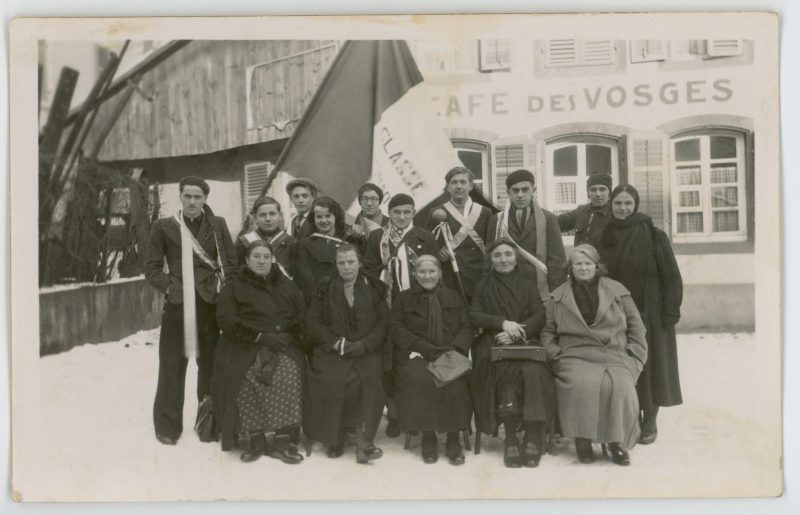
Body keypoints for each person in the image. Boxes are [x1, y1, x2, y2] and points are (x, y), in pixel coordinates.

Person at [144, 176, 237, 446]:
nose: (193, 201)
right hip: (178, 305)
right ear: (180, 197)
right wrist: (172, 288)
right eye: (188, 196)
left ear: (206, 199)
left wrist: (223, 288)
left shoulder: (217, 225)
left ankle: (207, 421)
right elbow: (151, 268)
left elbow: (230, 263)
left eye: (198, 196)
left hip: (211, 305)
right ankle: (167, 427)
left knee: (209, 364)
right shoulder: (164, 227)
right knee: (172, 364)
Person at [541, 244, 648, 466]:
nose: (583, 268)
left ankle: (616, 442)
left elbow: (637, 326)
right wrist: (555, 354)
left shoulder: (617, 291)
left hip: (614, 353)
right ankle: (583, 439)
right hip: (574, 356)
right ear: (570, 267)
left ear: (597, 266)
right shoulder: (558, 296)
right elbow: (548, 331)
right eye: (578, 264)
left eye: (588, 263)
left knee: (620, 386)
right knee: (581, 384)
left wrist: (636, 356)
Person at [600, 184, 683, 445]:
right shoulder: (603, 236)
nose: (622, 209)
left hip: (652, 313)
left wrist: (670, 311)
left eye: (627, 203)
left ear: (635, 205)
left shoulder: (655, 235)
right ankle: (631, 415)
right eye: (618, 204)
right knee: (625, 365)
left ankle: (650, 420)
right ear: (611, 205)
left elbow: (672, 277)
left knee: (652, 366)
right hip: (616, 314)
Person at [210, 240, 307, 464]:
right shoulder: (234, 285)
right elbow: (226, 319)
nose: (262, 261)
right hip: (243, 345)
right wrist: (259, 337)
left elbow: (301, 314)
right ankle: (256, 439)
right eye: (257, 256)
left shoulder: (285, 283)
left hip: (282, 344)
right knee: (245, 376)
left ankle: (283, 440)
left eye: (266, 256)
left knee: (288, 373)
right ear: (246, 260)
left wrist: (287, 335)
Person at [469, 238, 556, 468]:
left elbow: (539, 315)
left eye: (508, 254)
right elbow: (474, 314)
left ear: (516, 258)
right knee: (503, 372)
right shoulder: (483, 285)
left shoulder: (528, 283)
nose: (503, 259)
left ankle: (532, 435)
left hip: (525, 341)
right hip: (494, 341)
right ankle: (510, 437)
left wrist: (517, 332)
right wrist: (502, 323)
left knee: (534, 371)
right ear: (491, 259)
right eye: (497, 255)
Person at [363, 193, 439, 437]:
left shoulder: (425, 237)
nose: (402, 217)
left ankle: (414, 412)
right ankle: (394, 413)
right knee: (390, 360)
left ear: (414, 212)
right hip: (386, 305)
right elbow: (370, 271)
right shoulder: (377, 237)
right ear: (390, 213)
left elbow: (433, 273)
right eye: (397, 212)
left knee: (412, 358)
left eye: (407, 212)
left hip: (415, 307)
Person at [304, 244, 389, 464]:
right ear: (336, 264)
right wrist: (335, 343)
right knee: (333, 379)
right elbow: (313, 323)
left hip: (366, 349)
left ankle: (363, 440)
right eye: (341, 262)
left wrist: (365, 344)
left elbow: (383, 323)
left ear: (359, 263)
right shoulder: (324, 287)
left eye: (351, 262)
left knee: (368, 379)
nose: (346, 267)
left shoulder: (374, 287)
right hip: (332, 349)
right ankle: (335, 436)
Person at [389, 256, 473, 465]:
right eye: (422, 272)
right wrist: (424, 348)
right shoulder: (403, 298)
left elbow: (466, 327)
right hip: (417, 353)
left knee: (454, 381)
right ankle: (428, 436)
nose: (427, 276)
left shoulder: (453, 296)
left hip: (449, 352)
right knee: (420, 379)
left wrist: (453, 349)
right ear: (415, 274)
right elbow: (397, 329)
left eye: (432, 271)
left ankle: (453, 438)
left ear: (439, 273)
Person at [487, 169, 567, 301]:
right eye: (515, 190)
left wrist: (554, 294)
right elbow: (488, 257)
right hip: (505, 288)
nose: (520, 195)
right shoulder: (497, 220)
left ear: (533, 190)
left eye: (525, 190)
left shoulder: (548, 218)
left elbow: (557, 261)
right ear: (508, 192)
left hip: (539, 289)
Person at [428, 166, 492, 303]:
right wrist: (438, 253)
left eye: (463, 182)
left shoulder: (485, 212)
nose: (458, 186)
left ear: (471, 186)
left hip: (479, 273)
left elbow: (491, 244)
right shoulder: (436, 212)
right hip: (451, 274)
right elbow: (429, 243)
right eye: (454, 182)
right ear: (447, 187)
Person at [294, 196, 363, 304]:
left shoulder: (350, 240)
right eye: (319, 217)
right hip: (321, 303)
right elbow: (307, 283)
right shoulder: (304, 246)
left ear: (335, 216)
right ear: (314, 218)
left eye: (328, 216)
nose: (323, 220)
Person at [235, 195, 294, 275]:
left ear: (280, 216)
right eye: (262, 215)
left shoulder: (291, 242)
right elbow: (236, 272)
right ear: (255, 218)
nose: (268, 219)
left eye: (272, 214)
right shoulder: (243, 243)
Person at [557, 173, 613, 248]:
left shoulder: (615, 213)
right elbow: (555, 222)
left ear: (609, 192)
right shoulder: (581, 211)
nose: (598, 194)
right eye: (593, 190)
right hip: (579, 258)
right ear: (588, 192)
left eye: (602, 189)